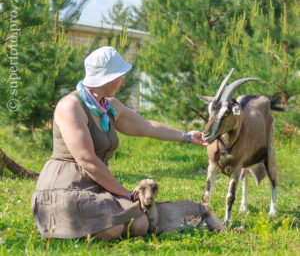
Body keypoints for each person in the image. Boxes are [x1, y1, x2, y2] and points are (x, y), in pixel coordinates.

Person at [31, 46, 210, 240]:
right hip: (67, 187)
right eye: (120, 77)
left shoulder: (109, 106)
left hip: (96, 186)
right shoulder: (71, 106)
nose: (123, 83)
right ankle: (61, 227)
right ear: (106, 78)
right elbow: (87, 161)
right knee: (113, 229)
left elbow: (146, 126)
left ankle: (90, 225)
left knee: (140, 224)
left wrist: (186, 136)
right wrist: (125, 193)